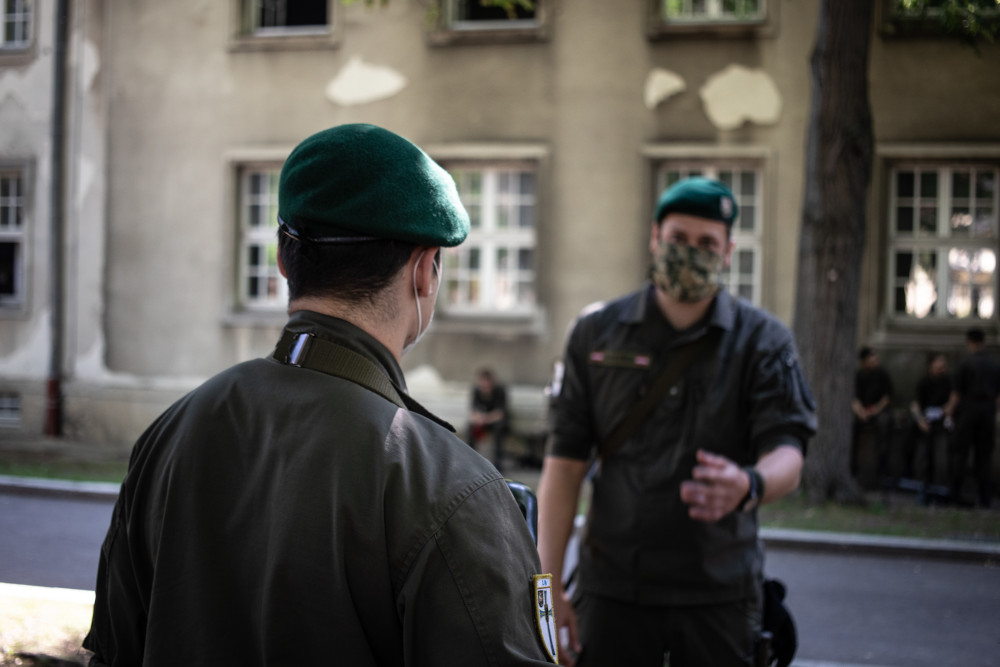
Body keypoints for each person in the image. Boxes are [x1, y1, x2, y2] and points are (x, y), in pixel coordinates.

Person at [83, 124, 556, 666]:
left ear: (284, 261)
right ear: (425, 271)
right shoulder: (451, 486)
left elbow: (113, 653)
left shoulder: (169, 435)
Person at [536, 176, 817, 667]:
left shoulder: (763, 341)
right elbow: (564, 466)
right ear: (654, 237)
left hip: (718, 593)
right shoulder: (597, 333)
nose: (691, 252)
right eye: (678, 238)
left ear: (728, 251)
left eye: (707, 243)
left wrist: (749, 484)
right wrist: (546, 591)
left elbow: (788, 453)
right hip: (614, 591)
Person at [945, 327, 1000, 508]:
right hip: (987, 412)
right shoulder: (994, 364)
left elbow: (956, 393)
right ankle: (984, 498)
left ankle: (956, 494)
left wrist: (949, 411)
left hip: (968, 412)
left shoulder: (965, 363)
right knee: (984, 456)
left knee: (961, 453)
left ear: (970, 342)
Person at [900, 353, 952, 490]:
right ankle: (908, 472)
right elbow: (915, 404)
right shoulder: (923, 382)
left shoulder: (948, 382)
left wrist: (944, 412)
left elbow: (952, 402)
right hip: (924, 419)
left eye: (943, 366)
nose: (942, 368)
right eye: (939, 365)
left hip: (941, 419)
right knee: (910, 431)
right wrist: (920, 421)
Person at [850, 347, 895, 484]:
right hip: (863, 412)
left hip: (879, 411)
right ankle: (852, 468)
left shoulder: (882, 374)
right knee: (852, 427)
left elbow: (887, 397)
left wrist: (875, 410)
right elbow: (854, 397)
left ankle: (882, 470)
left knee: (884, 425)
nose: (874, 363)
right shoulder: (858, 375)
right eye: (871, 360)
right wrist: (861, 412)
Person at [467, 367, 510, 472]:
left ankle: (498, 463)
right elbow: (473, 412)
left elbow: (500, 414)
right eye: (483, 383)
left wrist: (485, 419)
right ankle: (470, 460)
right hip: (483, 422)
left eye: (487, 383)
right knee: (470, 428)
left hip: (497, 423)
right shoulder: (476, 391)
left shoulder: (499, 391)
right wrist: (478, 419)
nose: (485, 386)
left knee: (499, 429)